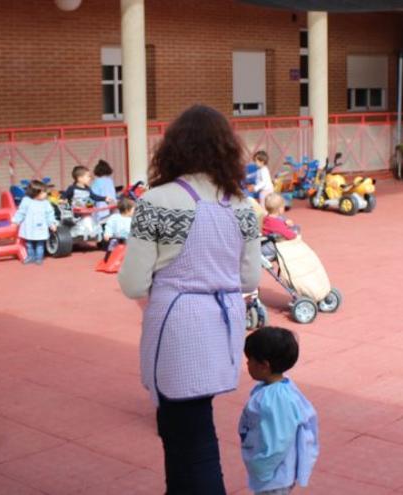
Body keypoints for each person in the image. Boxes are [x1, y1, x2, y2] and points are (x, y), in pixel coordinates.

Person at [118, 104, 262, 493]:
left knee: (191, 433)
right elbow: (249, 276)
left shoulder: (157, 201)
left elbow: (132, 283)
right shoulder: (245, 206)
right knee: (182, 424)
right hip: (223, 319)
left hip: (178, 321)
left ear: (174, 148)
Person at [239, 327, 319, 495]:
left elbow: (279, 440)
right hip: (275, 474)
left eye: (250, 360)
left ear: (264, 365)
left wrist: (261, 469)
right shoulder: (278, 389)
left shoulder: (275, 400)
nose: (246, 364)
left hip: (274, 477)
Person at [12, 180, 57, 265]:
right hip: (29, 228)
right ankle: (31, 257)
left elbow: (50, 214)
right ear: (36, 193)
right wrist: (16, 221)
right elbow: (21, 212)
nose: (46, 194)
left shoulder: (45, 203)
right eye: (43, 192)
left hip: (41, 228)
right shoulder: (26, 201)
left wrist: (52, 223)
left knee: (40, 245)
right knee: (29, 244)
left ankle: (39, 258)